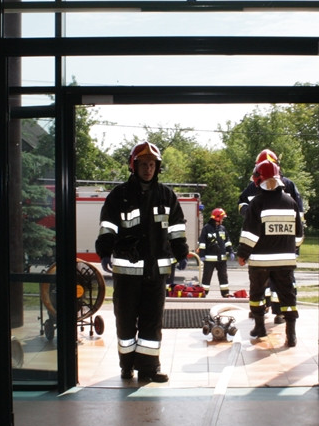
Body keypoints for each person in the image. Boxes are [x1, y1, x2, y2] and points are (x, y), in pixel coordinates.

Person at [96, 141, 189, 383]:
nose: (148, 168)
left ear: (157, 168)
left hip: (156, 273)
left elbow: (177, 228)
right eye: (143, 164)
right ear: (133, 166)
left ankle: (149, 368)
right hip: (127, 273)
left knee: (152, 321)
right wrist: (105, 251)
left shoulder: (167, 196)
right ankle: (126, 366)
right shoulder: (119, 196)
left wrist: (181, 252)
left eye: (151, 164)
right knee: (125, 321)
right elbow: (107, 226)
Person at [236, 159, 304, 347]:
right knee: (288, 297)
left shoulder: (257, 203)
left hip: (260, 263)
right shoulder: (291, 202)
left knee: (257, 295)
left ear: (259, 180)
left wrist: (242, 255)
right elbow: (299, 235)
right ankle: (291, 335)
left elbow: (250, 234)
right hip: (285, 262)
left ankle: (260, 327)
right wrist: (289, 249)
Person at [197, 207, 234, 297]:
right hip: (209, 259)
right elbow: (202, 243)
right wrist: (202, 255)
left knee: (223, 276)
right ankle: (204, 293)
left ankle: (225, 293)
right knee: (207, 277)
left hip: (221, 259)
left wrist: (231, 251)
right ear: (217, 218)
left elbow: (227, 241)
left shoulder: (222, 228)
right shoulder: (207, 228)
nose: (223, 220)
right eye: (222, 218)